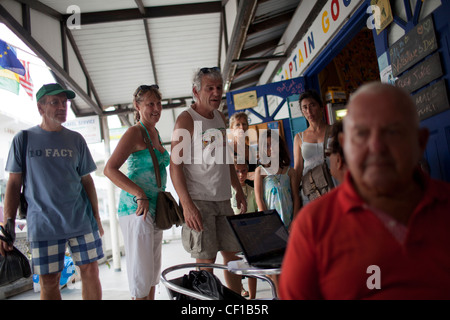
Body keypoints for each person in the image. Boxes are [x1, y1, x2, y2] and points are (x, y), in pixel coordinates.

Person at [279, 82, 450, 299]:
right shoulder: (314, 225)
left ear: (419, 141)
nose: (376, 146)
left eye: (393, 131)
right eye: (362, 133)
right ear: (343, 145)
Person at [1, 83, 104, 300]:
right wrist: (8, 222)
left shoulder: (76, 140)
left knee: (91, 271)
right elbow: (13, 183)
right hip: (43, 224)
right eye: (54, 102)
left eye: (64, 102)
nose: (62, 107)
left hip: (81, 220)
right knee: (49, 280)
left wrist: (96, 215)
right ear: (40, 107)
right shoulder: (24, 139)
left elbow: (87, 181)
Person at [170, 67, 246, 294]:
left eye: (218, 88)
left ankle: (236, 301)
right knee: (206, 263)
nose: (215, 92)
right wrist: (187, 205)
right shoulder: (186, 120)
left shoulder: (219, 116)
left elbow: (225, 158)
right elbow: (175, 167)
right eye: (209, 88)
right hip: (199, 201)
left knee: (233, 258)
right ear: (196, 91)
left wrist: (237, 189)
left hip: (223, 199)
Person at [103, 84, 168, 300]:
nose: (156, 108)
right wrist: (138, 192)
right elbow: (109, 169)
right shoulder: (134, 132)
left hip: (154, 210)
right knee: (141, 277)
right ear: (137, 106)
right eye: (150, 103)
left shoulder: (155, 132)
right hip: (136, 210)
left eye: (158, 103)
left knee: (151, 275)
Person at [293, 90, 332, 207]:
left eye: (312, 105)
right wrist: (295, 195)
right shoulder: (299, 137)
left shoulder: (335, 130)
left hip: (333, 183)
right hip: (311, 189)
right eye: (304, 108)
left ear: (321, 107)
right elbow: (298, 168)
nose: (309, 111)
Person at [254, 130, 300, 228]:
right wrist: (268, 220)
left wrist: (295, 221)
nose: (271, 148)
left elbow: (296, 197)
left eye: (274, 144)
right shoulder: (260, 171)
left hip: (289, 220)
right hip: (270, 222)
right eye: (267, 145)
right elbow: (259, 198)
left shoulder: (290, 171)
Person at [230, 159, 258, 299]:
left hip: (250, 232)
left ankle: (252, 298)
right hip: (234, 233)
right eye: (237, 171)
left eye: (243, 171)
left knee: (252, 267)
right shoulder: (228, 192)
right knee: (236, 265)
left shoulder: (253, 191)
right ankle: (239, 289)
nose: (240, 174)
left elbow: (256, 211)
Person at [229, 112, 257, 186]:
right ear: (232, 129)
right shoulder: (227, 150)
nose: (241, 127)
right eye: (237, 124)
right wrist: (247, 175)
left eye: (244, 124)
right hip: (236, 192)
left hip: (252, 191)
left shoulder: (251, 150)